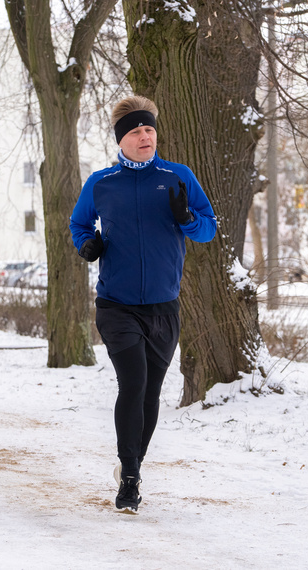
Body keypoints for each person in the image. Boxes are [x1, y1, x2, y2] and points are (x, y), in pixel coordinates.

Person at [69, 95, 217, 512]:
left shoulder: (178, 176)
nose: (145, 135)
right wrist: (88, 245)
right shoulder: (102, 182)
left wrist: (187, 217)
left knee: (150, 393)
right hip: (116, 305)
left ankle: (134, 463)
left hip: (164, 307)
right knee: (132, 383)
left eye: (149, 128)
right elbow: (79, 223)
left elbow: (208, 230)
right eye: (136, 130)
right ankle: (129, 475)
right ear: (122, 139)